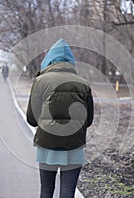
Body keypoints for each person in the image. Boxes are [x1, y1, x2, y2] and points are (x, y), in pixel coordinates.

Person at [26, 39, 94, 198]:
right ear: (71, 62)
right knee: (67, 193)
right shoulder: (83, 83)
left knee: (46, 190)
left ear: (49, 60)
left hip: (47, 145)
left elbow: (31, 119)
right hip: (74, 146)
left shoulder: (41, 81)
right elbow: (88, 121)